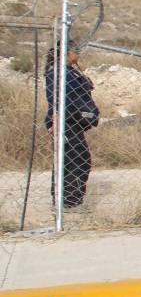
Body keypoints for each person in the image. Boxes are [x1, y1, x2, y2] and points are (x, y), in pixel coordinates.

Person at [44, 43, 99, 209]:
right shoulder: (58, 73)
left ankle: (68, 201)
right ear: (66, 53)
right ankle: (67, 202)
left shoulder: (70, 72)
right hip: (64, 122)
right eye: (75, 51)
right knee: (74, 160)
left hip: (73, 123)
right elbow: (61, 100)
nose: (79, 53)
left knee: (76, 159)